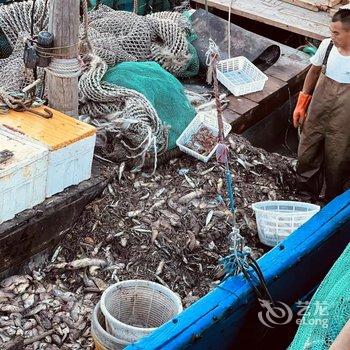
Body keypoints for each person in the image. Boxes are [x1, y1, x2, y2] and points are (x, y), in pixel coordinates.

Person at [293, 8, 350, 201]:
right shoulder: (327, 47)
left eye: (336, 33)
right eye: (330, 31)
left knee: (338, 160)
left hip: (344, 122)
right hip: (318, 112)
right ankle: (304, 195)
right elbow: (314, 72)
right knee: (307, 153)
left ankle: (332, 200)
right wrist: (302, 103)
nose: (331, 36)